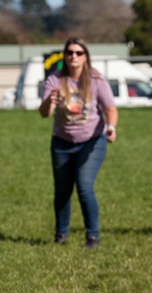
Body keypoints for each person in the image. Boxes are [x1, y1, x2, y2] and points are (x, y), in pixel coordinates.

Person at [39, 37, 118, 249]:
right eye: (70, 52)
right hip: (62, 142)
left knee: (84, 185)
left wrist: (111, 128)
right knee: (62, 190)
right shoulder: (55, 79)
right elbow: (44, 114)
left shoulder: (95, 79)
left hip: (92, 141)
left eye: (78, 53)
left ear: (85, 57)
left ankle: (93, 237)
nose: (74, 56)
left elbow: (110, 108)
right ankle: (61, 234)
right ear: (64, 56)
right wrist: (49, 101)